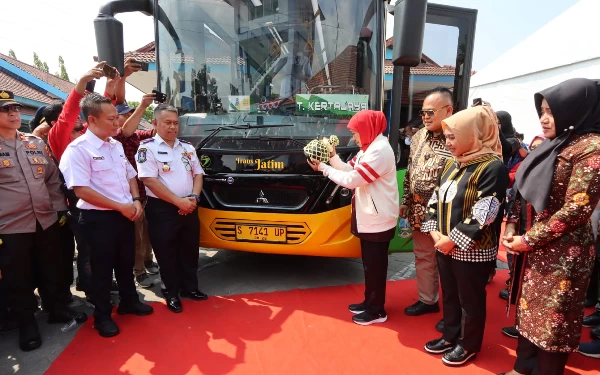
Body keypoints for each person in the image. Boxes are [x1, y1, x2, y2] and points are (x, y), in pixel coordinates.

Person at [499, 78, 600, 375]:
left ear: (575, 109)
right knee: (529, 313)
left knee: (555, 323)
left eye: (552, 111)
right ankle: (522, 368)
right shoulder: (557, 143)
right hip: (535, 246)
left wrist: (529, 240)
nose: (544, 118)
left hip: (565, 254)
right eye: (542, 110)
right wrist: (512, 226)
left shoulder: (591, 148)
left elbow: (577, 208)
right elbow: (523, 188)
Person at [59, 93, 153, 338]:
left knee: (125, 262)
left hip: (125, 213)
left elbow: (130, 175)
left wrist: (135, 200)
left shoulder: (115, 145)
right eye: (111, 119)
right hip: (98, 219)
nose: (117, 124)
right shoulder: (78, 150)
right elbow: (82, 190)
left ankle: (129, 302)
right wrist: (120, 206)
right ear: (92, 119)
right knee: (101, 270)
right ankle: (102, 316)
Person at [0, 90, 86, 351]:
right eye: (6, 109)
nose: (14, 112)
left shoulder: (33, 143)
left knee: (52, 268)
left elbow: (51, 179)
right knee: (19, 278)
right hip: (11, 227)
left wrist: (58, 212)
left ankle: (57, 309)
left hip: (45, 221)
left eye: (15, 108)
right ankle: (27, 324)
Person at [422, 105, 508, 367]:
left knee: (469, 299)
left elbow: (486, 211)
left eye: (453, 137)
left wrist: (451, 240)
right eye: (447, 137)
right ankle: (450, 336)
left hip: (472, 249)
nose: (449, 143)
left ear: (474, 134)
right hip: (443, 244)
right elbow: (435, 198)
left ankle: (468, 344)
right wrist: (435, 231)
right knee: (449, 293)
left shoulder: (493, 167)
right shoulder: (452, 164)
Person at [307, 110, 399, 325]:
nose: (354, 137)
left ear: (367, 129)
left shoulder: (379, 151)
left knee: (374, 267)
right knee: (370, 265)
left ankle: (377, 310)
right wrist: (332, 157)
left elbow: (352, 179)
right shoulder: (369, 148)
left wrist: (323, 168)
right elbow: (349, 168)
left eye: (355, 132)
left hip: (378, 220)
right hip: (373, 217)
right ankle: (370, 303)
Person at [136, 104, 208, 313]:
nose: (172, 127)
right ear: (155, 123)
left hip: (190, 204)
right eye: (167, 122)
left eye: (176, 123)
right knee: (167, 253)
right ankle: (172, 293)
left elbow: (198, 174)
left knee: (189, 248)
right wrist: (179, 202)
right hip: (163, 209)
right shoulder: (146, 148)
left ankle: (190, 288)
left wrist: (193, 197)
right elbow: (149, 180)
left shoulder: (187, 147)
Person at [400, 87, 454, 330]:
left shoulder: (458, 136)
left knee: (450, 265)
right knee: (423, 257)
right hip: (419, 212)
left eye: (431, 112)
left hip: (447, 214)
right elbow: (410, 170)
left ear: (449, 110)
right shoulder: (420, 135)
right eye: (423, 113)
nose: (426, 117)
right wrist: (406, 201)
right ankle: (427, 300)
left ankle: (455, 313)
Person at [114, 99, 160, 288]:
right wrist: (143, 106)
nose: (129, 117)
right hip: (129, 196)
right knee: (136, 238)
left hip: (144, 192)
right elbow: (125, 130)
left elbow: (153, 133)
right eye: (125, 114)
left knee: (148, 233)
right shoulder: (117, 137)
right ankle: (138, 271)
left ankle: (148, 261)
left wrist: (160, 117)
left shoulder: (136, 136)